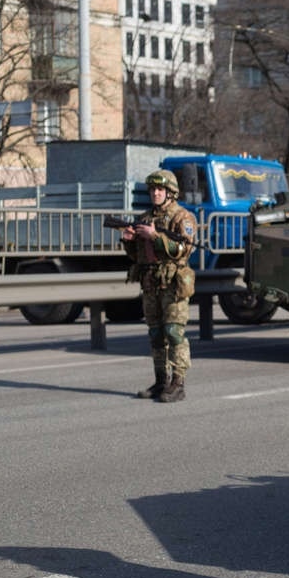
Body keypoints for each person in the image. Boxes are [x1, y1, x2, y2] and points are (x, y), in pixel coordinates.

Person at [120, 169, 197, 403]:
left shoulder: (181, 217)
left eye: (160, 190)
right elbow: (138, 256)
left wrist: (155, 237)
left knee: (174, 333)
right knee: (156, 334)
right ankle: (161, 381)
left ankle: (178, 383)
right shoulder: (145, 219)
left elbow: (183, 249)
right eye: (152, 189)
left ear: (171, 193)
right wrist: (128, 241)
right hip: (151, 282)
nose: (155, 193)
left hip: (173, 283)